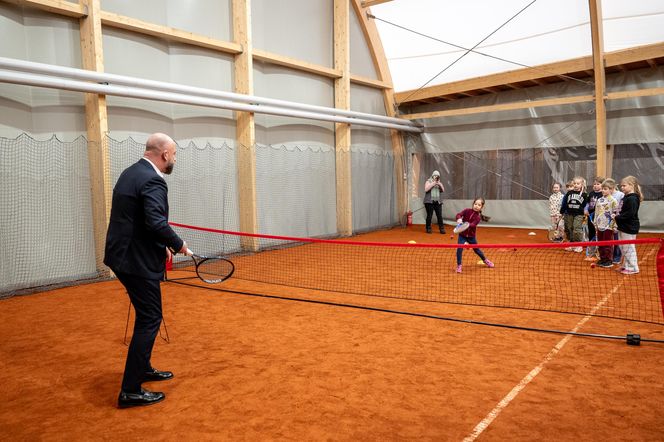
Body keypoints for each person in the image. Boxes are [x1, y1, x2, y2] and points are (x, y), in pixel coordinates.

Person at [104, 133, 191, 408]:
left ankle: (142, 369)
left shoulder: (131, 172)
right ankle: (130, 390)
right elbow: (154, 221)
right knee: (150, 318)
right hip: (134, 262)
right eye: (174, 154)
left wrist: (158, 245)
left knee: (148, 315)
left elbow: (136, 219)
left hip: (123, 256)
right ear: (164, 154)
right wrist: (178, 245)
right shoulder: (153, 179)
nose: (174, 159)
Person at [454, 197, 494, 273]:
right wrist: (459, 219)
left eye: (479, 205)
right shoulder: (466, 211)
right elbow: (458, 214)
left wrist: (465, 224)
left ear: (482, 207)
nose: (476, 206)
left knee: (476, 250)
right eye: (475, 204)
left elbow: (473, 225)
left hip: (471, 237)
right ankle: (459, 266)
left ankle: (485, 260)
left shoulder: (478, 217)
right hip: (462, 235)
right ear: (473, 204)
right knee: (459, 249)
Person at [613, 175, 642, 275]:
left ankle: (633, 268)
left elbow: (630, 213)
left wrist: (617, 217)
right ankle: (626, 265)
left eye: (624, 186)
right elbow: (622, 210)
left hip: (629, 227)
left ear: (631, 185)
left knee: (629, 247)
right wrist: (616, 213)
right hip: (623, 226)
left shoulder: (633, 199)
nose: (622, 188)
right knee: (623, 247)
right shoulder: (626, 197)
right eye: (621, 186)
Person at [593, 180, 618, 268]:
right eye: (602, 189)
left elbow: (616, 213)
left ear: (611, 190)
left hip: (609, 226)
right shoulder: (599, 200)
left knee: (607, 243)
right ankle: (602, 258)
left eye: (605, 189)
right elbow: (596, 212)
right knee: (600, 242)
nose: (603, 190)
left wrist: (615, 226)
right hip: (600, 225)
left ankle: (608, 260)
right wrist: (595, 223)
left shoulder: (613, 201)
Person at [560, 176, 588, 253]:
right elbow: (565, 203)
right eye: (574, 183)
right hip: (569, 213)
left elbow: (585, 204)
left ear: (582, 185)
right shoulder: (569, 193)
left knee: (577, 228)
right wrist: (562, 211)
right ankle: (571, 243)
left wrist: (585, 211)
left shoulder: (584, 194)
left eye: (578, 183)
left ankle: (578, 244)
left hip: (578, 214)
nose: (576, 185)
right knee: (569, 228)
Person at [604, 178, 625, 265]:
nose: (604, 190)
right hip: (607, 221)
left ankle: (617, 256)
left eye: (606, 188)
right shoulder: (605, 195)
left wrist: (616, 215)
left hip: (617, 221)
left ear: (612, 188)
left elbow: (622, 207)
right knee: (608, 239)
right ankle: (609, 256)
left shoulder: (621, 195)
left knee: (617, 239)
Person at [584, 176, 604, 260]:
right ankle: (591, 252)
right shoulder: (591, 193)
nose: (595, 185)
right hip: (590, 216)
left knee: (599, 234)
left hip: (599, 217)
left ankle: (599, 251)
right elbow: (588, 203)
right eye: (594, 184)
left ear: (603, 185)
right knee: (591, 233)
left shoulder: (603, 194)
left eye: (598, 184)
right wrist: (585, 209)